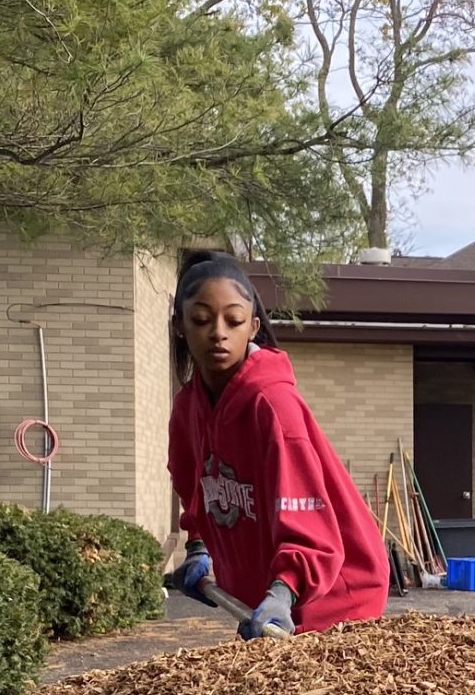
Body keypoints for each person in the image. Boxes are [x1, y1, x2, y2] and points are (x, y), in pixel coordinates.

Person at [165, 254, 387, 637]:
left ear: (253, 327)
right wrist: (198, 546)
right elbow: (193, 488)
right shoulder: (188, 409)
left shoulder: (272, 405)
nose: (218, 333)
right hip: (268, 596)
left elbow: (306, 522)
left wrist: (284, 591)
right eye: (201, 320)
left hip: (334, 595)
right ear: (180, 326)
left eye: (234, 321)